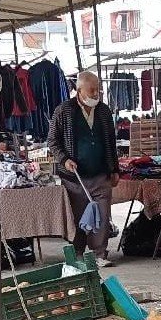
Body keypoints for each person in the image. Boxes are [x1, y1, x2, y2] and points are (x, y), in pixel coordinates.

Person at [47, 71, 119, 266]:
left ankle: (99, 254)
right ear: (79, 90)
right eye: (92, 90)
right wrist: (64, 160)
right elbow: (52, 141)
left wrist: (115, 170)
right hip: (75, 177)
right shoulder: (63, 110)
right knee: (78, 216)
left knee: (102, 215)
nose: (96, 93)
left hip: (100, 173)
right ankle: (79, 253)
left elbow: (111, 142)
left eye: (98, 89)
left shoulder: (103, 111)